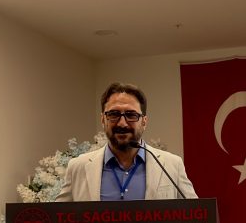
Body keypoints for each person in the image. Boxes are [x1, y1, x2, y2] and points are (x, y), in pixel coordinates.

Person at [57, 82, 197, 201]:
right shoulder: (77, 167)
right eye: (114, 114)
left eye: (131, 115)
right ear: (103, 120)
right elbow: (58, 219)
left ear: (144, 122)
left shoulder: (172, 165)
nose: (122, 123)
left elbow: (195, 216)